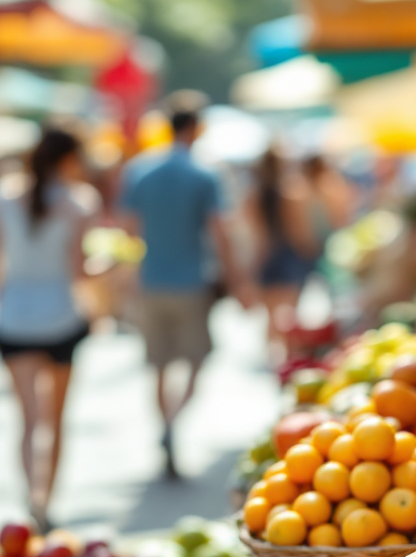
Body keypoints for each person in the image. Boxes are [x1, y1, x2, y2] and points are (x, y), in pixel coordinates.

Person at [118, 97, 252, 479]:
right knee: (196, 359)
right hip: (192, 281)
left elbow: (127, 228)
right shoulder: (205, 174)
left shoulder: (139, 170)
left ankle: (166, 426)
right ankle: (174, 424)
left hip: (151, 280)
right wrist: (238, 280)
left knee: (158, 365)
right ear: (197, 128)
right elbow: (219, 232)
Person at [0, 126, 96, 530]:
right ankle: (47, 502)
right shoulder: (78, 202)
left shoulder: (3, 195)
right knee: (55, 419)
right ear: (67, 159)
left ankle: (32, 496)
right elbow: (80, 270)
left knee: (28, 420)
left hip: (14, 317)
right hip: (61, 317)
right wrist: (113, 266)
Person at [244, 146, 316, 358]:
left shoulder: (253, 195)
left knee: (271, 316)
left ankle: (273, 356)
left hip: (266, 259)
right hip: (288, 258)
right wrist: (309, 252)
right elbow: (299, 231)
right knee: (289, 316)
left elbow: (257, 237)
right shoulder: (291, 192)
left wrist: (253, 264)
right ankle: (287, 358)